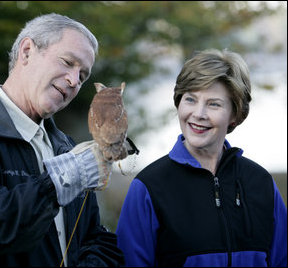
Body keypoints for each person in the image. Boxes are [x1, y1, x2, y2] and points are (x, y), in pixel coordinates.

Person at [0, 13, 129, 267]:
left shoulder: (68, 148)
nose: (74, 81)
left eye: (83, 76)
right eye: (67, 62)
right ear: (27, 51)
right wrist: (58, 181)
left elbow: (95, 239)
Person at [116, 48, 287, 267]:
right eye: (191, 99)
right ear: (179, 103)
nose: (198, 114)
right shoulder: (148, 188)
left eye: (214, 104)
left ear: (234, 114)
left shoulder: (261, 183)